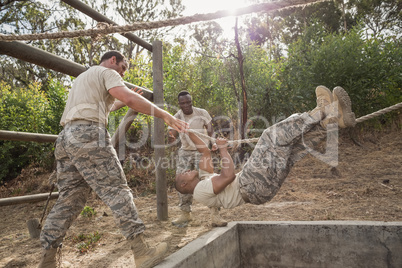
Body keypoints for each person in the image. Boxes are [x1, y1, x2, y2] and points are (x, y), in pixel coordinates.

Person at [38, 51, 188, 268]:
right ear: (112, 60)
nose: (122, 72)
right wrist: (166, 116)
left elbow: (112, 104)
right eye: (123, 68)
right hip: (88, 135)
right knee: (117, 190)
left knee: (70, 199)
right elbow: (127, 98)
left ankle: (48, 259)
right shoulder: (107, 71)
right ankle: (141, 251)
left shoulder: (84, 78)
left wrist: (126, 98)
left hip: (66, 139)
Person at [175, 86, 356, 210]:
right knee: (271, 136)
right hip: (250, 185)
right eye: (183, 173)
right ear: (184, 184)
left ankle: (333, 121)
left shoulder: (204, 179)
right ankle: (319, 112)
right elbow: (228, 176)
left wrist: (187, 128)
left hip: (259, 190)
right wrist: (223, 150)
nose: (186, 170)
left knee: (290, 147)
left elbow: (204, 151)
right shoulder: (199, 192)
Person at [168, 91, 227, 227]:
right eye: (183, 103)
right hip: (185, 152)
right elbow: (172, 132)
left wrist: (213, 142)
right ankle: (185, 213)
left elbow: (210, 129)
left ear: (191, 101)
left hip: (202, 152)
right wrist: (171, 135)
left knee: (210, 181)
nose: (186, 105)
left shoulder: (201, 113)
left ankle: (215, 215)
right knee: (182, 182)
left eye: (188, 102)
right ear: (179, 104)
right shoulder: (177, 116)